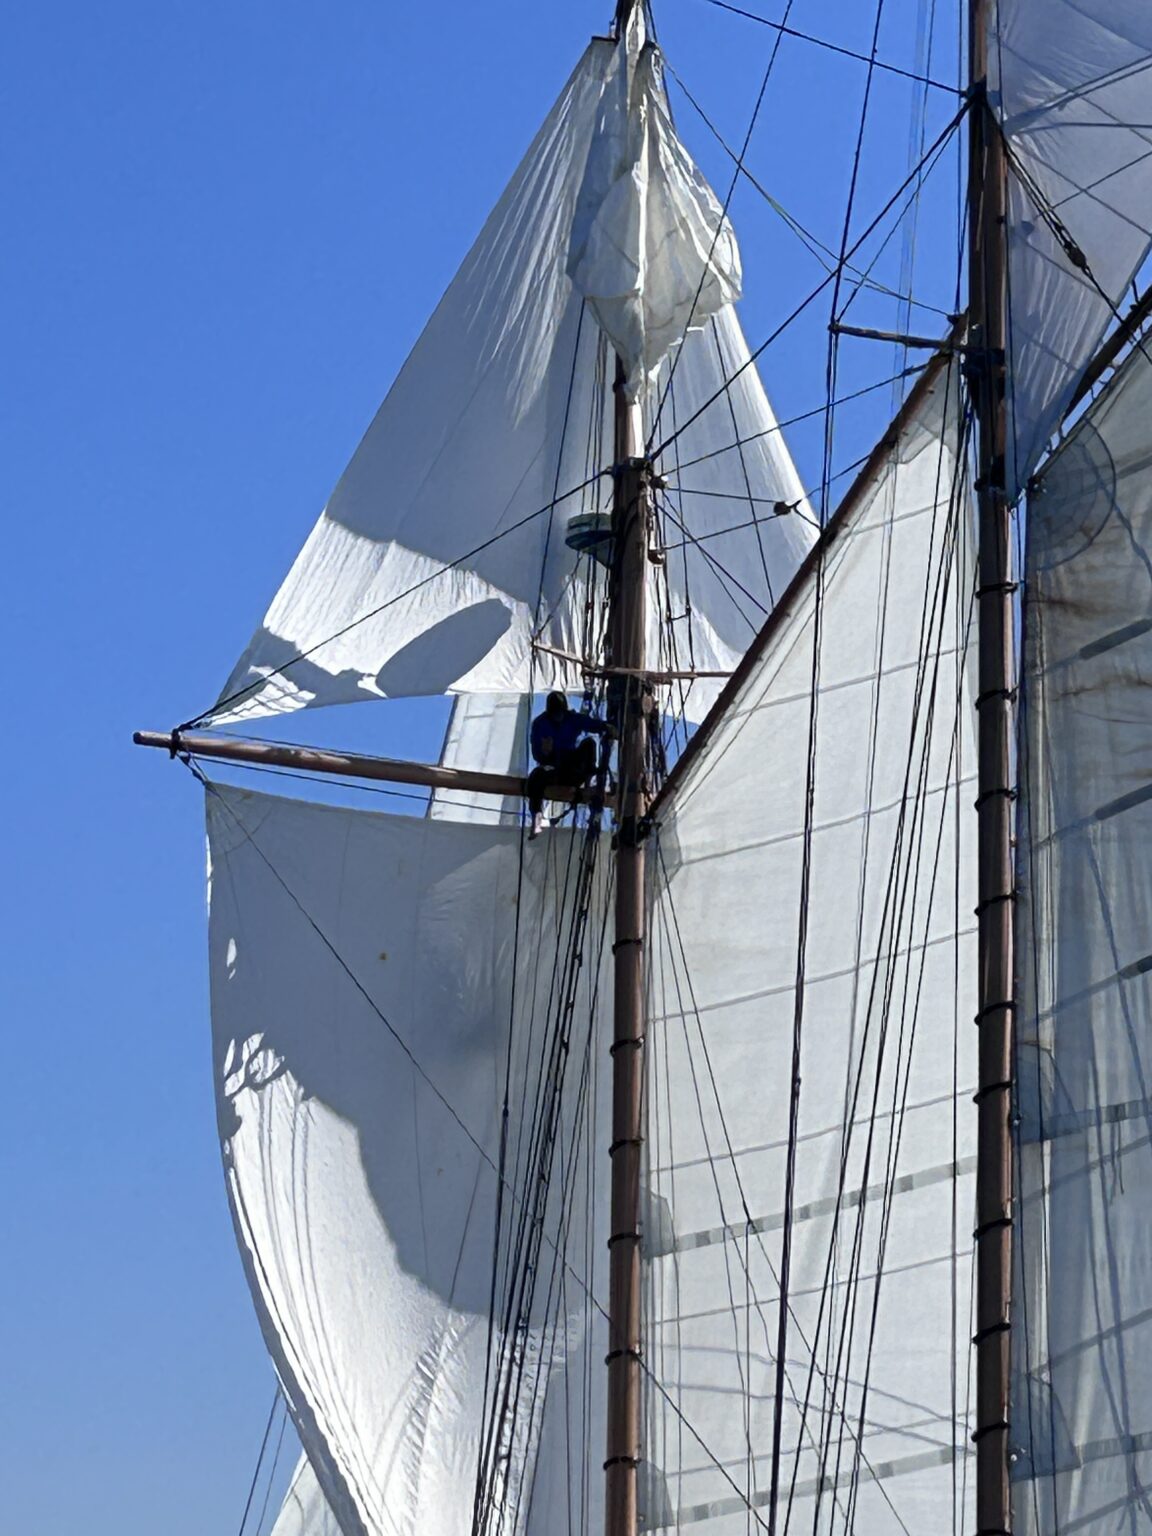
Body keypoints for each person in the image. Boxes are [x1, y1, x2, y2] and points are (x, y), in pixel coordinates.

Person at [526, 691, 612, 838]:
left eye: (560, 713)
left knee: (589, 744)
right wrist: (545, 752)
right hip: (554, 768)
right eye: (555, 714)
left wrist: (607, 727)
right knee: (535, 777)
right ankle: (537, 819)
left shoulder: (572, 718)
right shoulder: (540, 724)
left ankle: (589, 782)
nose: (558, 717)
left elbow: (590, 724)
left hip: (573, 767)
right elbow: (536, 754)